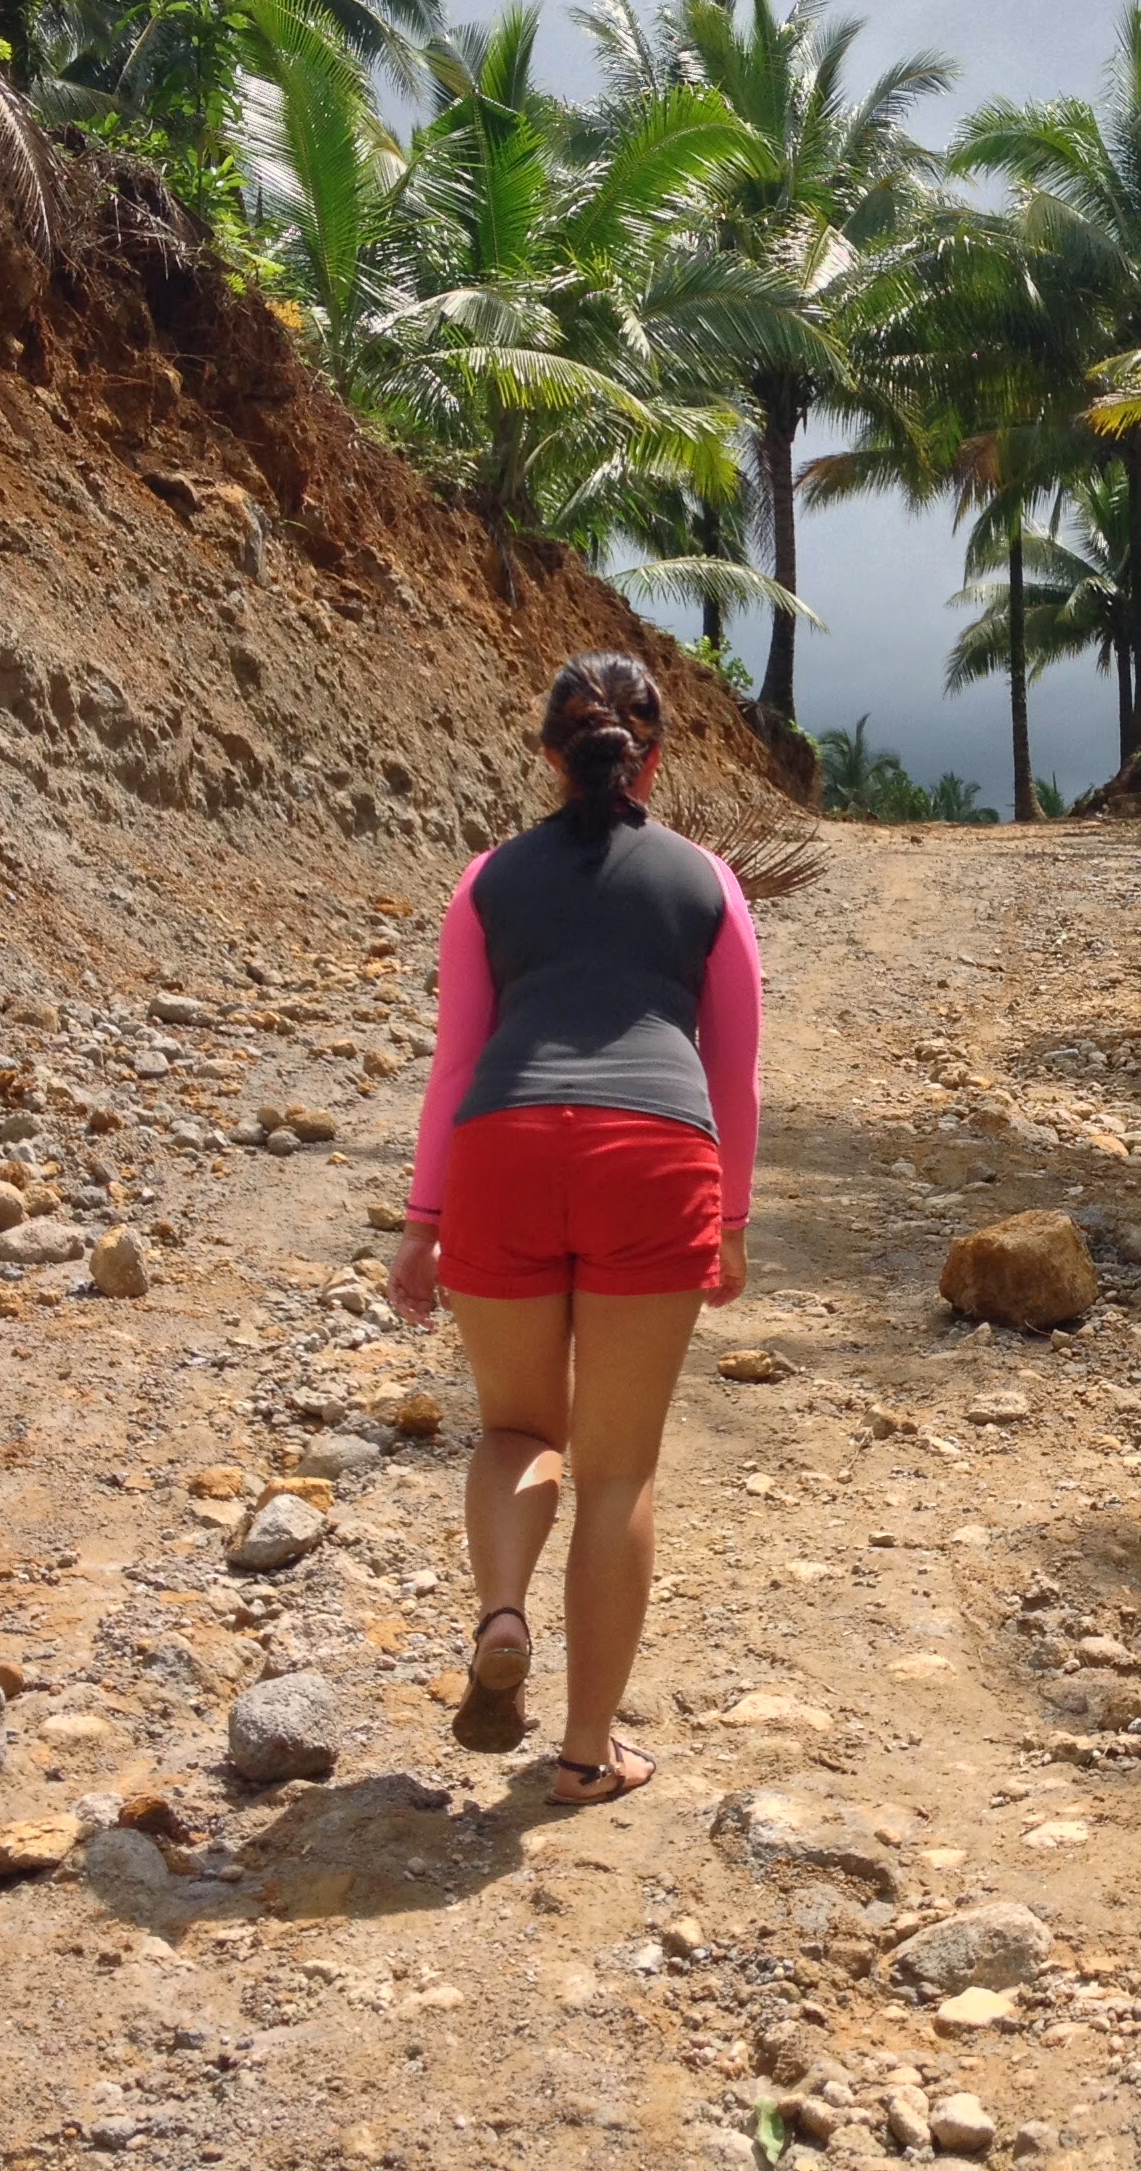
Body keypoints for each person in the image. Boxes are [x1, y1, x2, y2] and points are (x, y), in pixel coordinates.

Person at [386, 652, 762, 1805]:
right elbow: (735, 1070)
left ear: (550, 755)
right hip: (653, 1157)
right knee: (617, 1471)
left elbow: (456, 1056)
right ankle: (588, 1753)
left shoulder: (488, 881)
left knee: (514, 1428)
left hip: (501, 1149)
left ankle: (502, 1613)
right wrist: (731, 1221)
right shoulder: (708, 882)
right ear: (658, 753)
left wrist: (421, 1220)